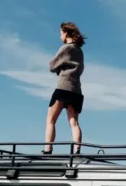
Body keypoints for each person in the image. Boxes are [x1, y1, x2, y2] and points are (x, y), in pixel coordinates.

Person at [43, 22, 85, 155]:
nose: (60, 36)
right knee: (74, 123)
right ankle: (76, 151)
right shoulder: (79, 51)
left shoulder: (65, 48)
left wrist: (59, 68)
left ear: (66, 32)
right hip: (76, 90)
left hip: (63, 88)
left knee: (50, 120)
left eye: (61, 32)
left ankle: (47, 150)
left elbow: (52, 65)